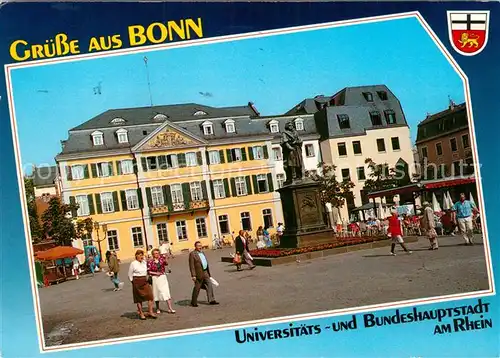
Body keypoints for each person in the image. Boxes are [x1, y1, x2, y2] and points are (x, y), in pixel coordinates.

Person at [128, 249, 157, 320]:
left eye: (142, 255)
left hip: (144, 280)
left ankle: (150, 311)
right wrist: (133, 282)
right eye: (140, 255)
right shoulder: (133, 263)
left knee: (150, 296)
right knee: (138, 299)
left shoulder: (144, 262)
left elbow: (149, 268)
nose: (141, 256)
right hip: (137, 281)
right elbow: (129, 274)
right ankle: (141, 313)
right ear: (136, 256)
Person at [189, 241, 219, 307]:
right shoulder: (192, 254)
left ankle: (211, 300)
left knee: (209, 285)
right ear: (195, 246)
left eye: (200, 245)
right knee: (197, 287)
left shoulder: (202, 252)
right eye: (198, 246)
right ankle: (193, 302)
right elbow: (191, 266)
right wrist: (193, 275)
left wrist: (208, 272)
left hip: (205, 272)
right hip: (198, 273)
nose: (200, 247)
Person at [147, 248, 175, 314]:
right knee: (156, 293)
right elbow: (148, 271)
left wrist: (165, 258)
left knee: (166, 291)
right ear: (152, 254)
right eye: (154, 253)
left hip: (162, 277)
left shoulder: (161, 259)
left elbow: (166, 264)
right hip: (155, 278)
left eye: (157, 253)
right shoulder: (150, 262)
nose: (156, 255)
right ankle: (157, 308)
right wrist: (156, 273)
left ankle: (170, 308)